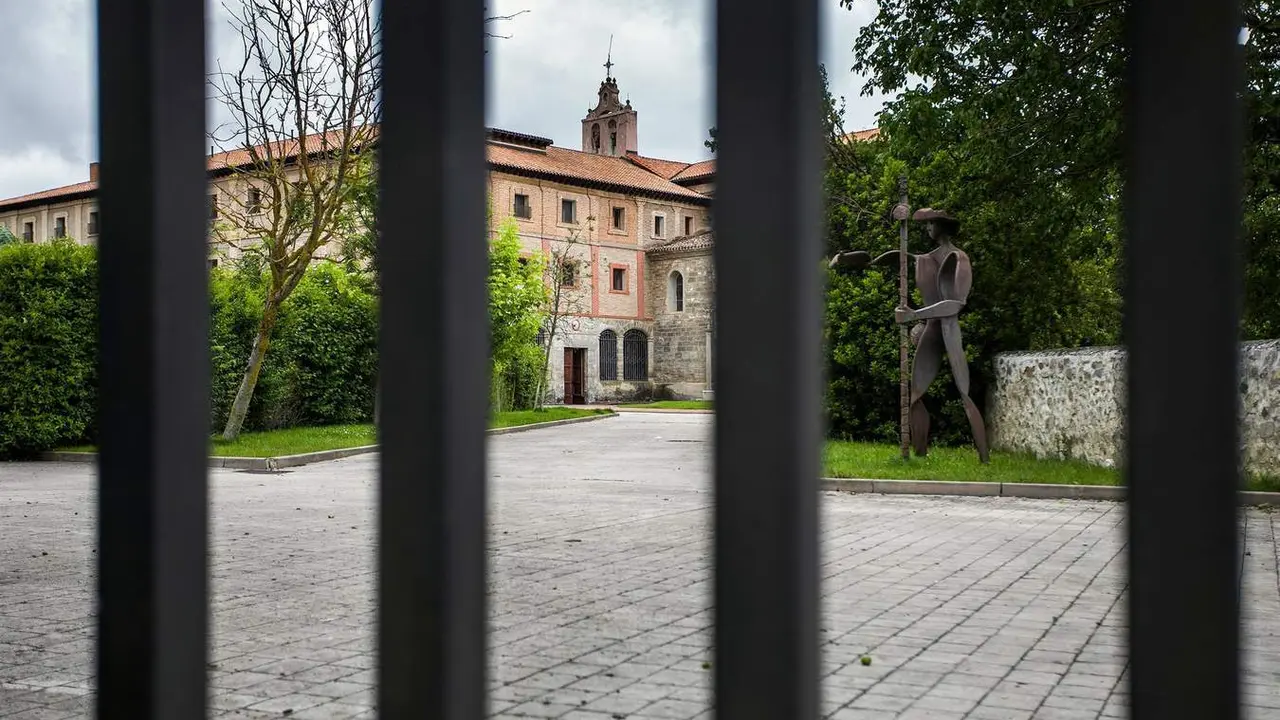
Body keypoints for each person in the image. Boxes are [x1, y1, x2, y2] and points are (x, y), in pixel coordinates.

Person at [829, 207, 990, 463]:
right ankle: (920, 454)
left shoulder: (959, 258)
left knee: (964, 391)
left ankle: (984, 457)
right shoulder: (926, 258)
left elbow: (956, 303)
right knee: (915, 396)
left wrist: (913, 316)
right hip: (930, 330)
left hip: (948, 330)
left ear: (942, 226)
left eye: (930, 224)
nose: (927, 229)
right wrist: (849, 259)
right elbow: (896, 258)